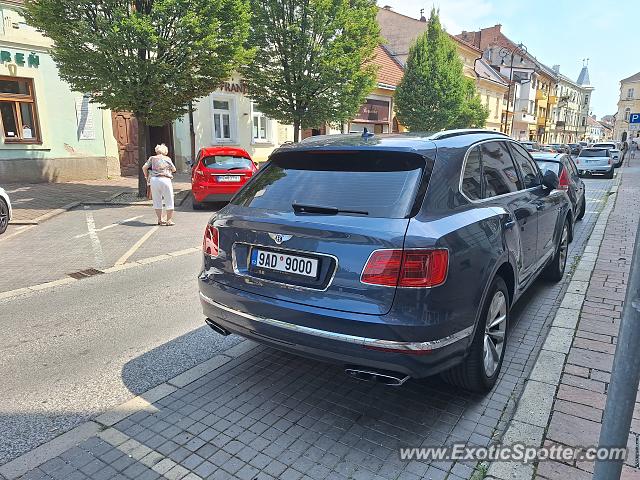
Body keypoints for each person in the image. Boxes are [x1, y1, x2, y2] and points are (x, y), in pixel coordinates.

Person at [142, 144, 177, 226]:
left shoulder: (152, 158)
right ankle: (169, 220)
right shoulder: (167, 159)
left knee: (157, 200)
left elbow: (144, 167)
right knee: (169, 199)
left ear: (156, 151)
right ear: (165, 151)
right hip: (165, 179)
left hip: (154, 180)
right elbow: (174, 169)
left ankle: (160, 219)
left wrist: (146, 176)